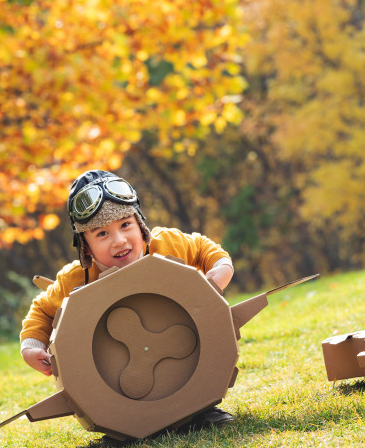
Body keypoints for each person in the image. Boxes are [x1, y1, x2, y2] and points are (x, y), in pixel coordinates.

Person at [20, 169, 235, 426]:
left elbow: (202, 248)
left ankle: (201, 410)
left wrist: (221, 269)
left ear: (140, 224)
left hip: (184, 360)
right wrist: (31, 347)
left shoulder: (166, 244)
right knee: (115, 412)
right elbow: (43, 309)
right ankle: (120, 424)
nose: (119, 241)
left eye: (125, 225)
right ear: (85, 246)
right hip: (119, 381)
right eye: (102, 233)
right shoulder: (77, 277)